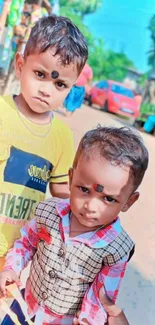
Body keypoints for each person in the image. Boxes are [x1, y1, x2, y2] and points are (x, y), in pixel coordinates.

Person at [0, 126, 148, 325]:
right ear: (71, 179)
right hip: (25, 304)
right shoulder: (47, 212)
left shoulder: (117, 249)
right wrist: (11, 269)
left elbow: (102, 293)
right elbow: (26, 243)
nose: (91, 206)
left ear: (129, 202)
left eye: (109, 199)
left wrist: (89, 320)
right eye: (84, 189)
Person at [0, 14, 88, 270]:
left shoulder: (61, 136)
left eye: (59, 83)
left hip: (16, 254)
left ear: (70, 90)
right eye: (40, 74)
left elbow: (61, 192)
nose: (46, 89)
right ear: (20, 65)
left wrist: (85, 203)